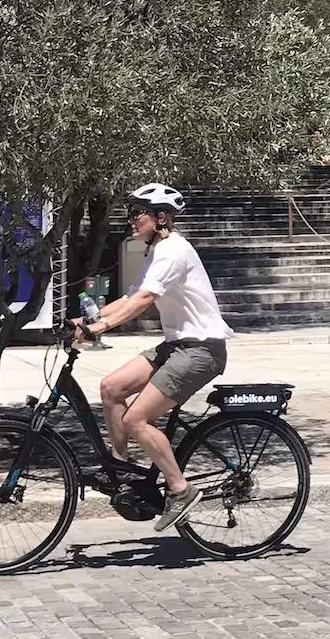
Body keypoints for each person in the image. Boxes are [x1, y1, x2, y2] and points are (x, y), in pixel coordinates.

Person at [76, 183, 232, 531]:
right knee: (112, 387)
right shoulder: (155, 251)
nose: (131, 221)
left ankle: (180, 489)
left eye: (137, 214)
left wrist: (100, 328)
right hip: (177, 345)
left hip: (201, 350)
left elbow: (144, 300)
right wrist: (83, 321)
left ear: (161, 217)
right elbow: (131, 296)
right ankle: (121, 470)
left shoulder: (174, 250)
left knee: (135, 420)